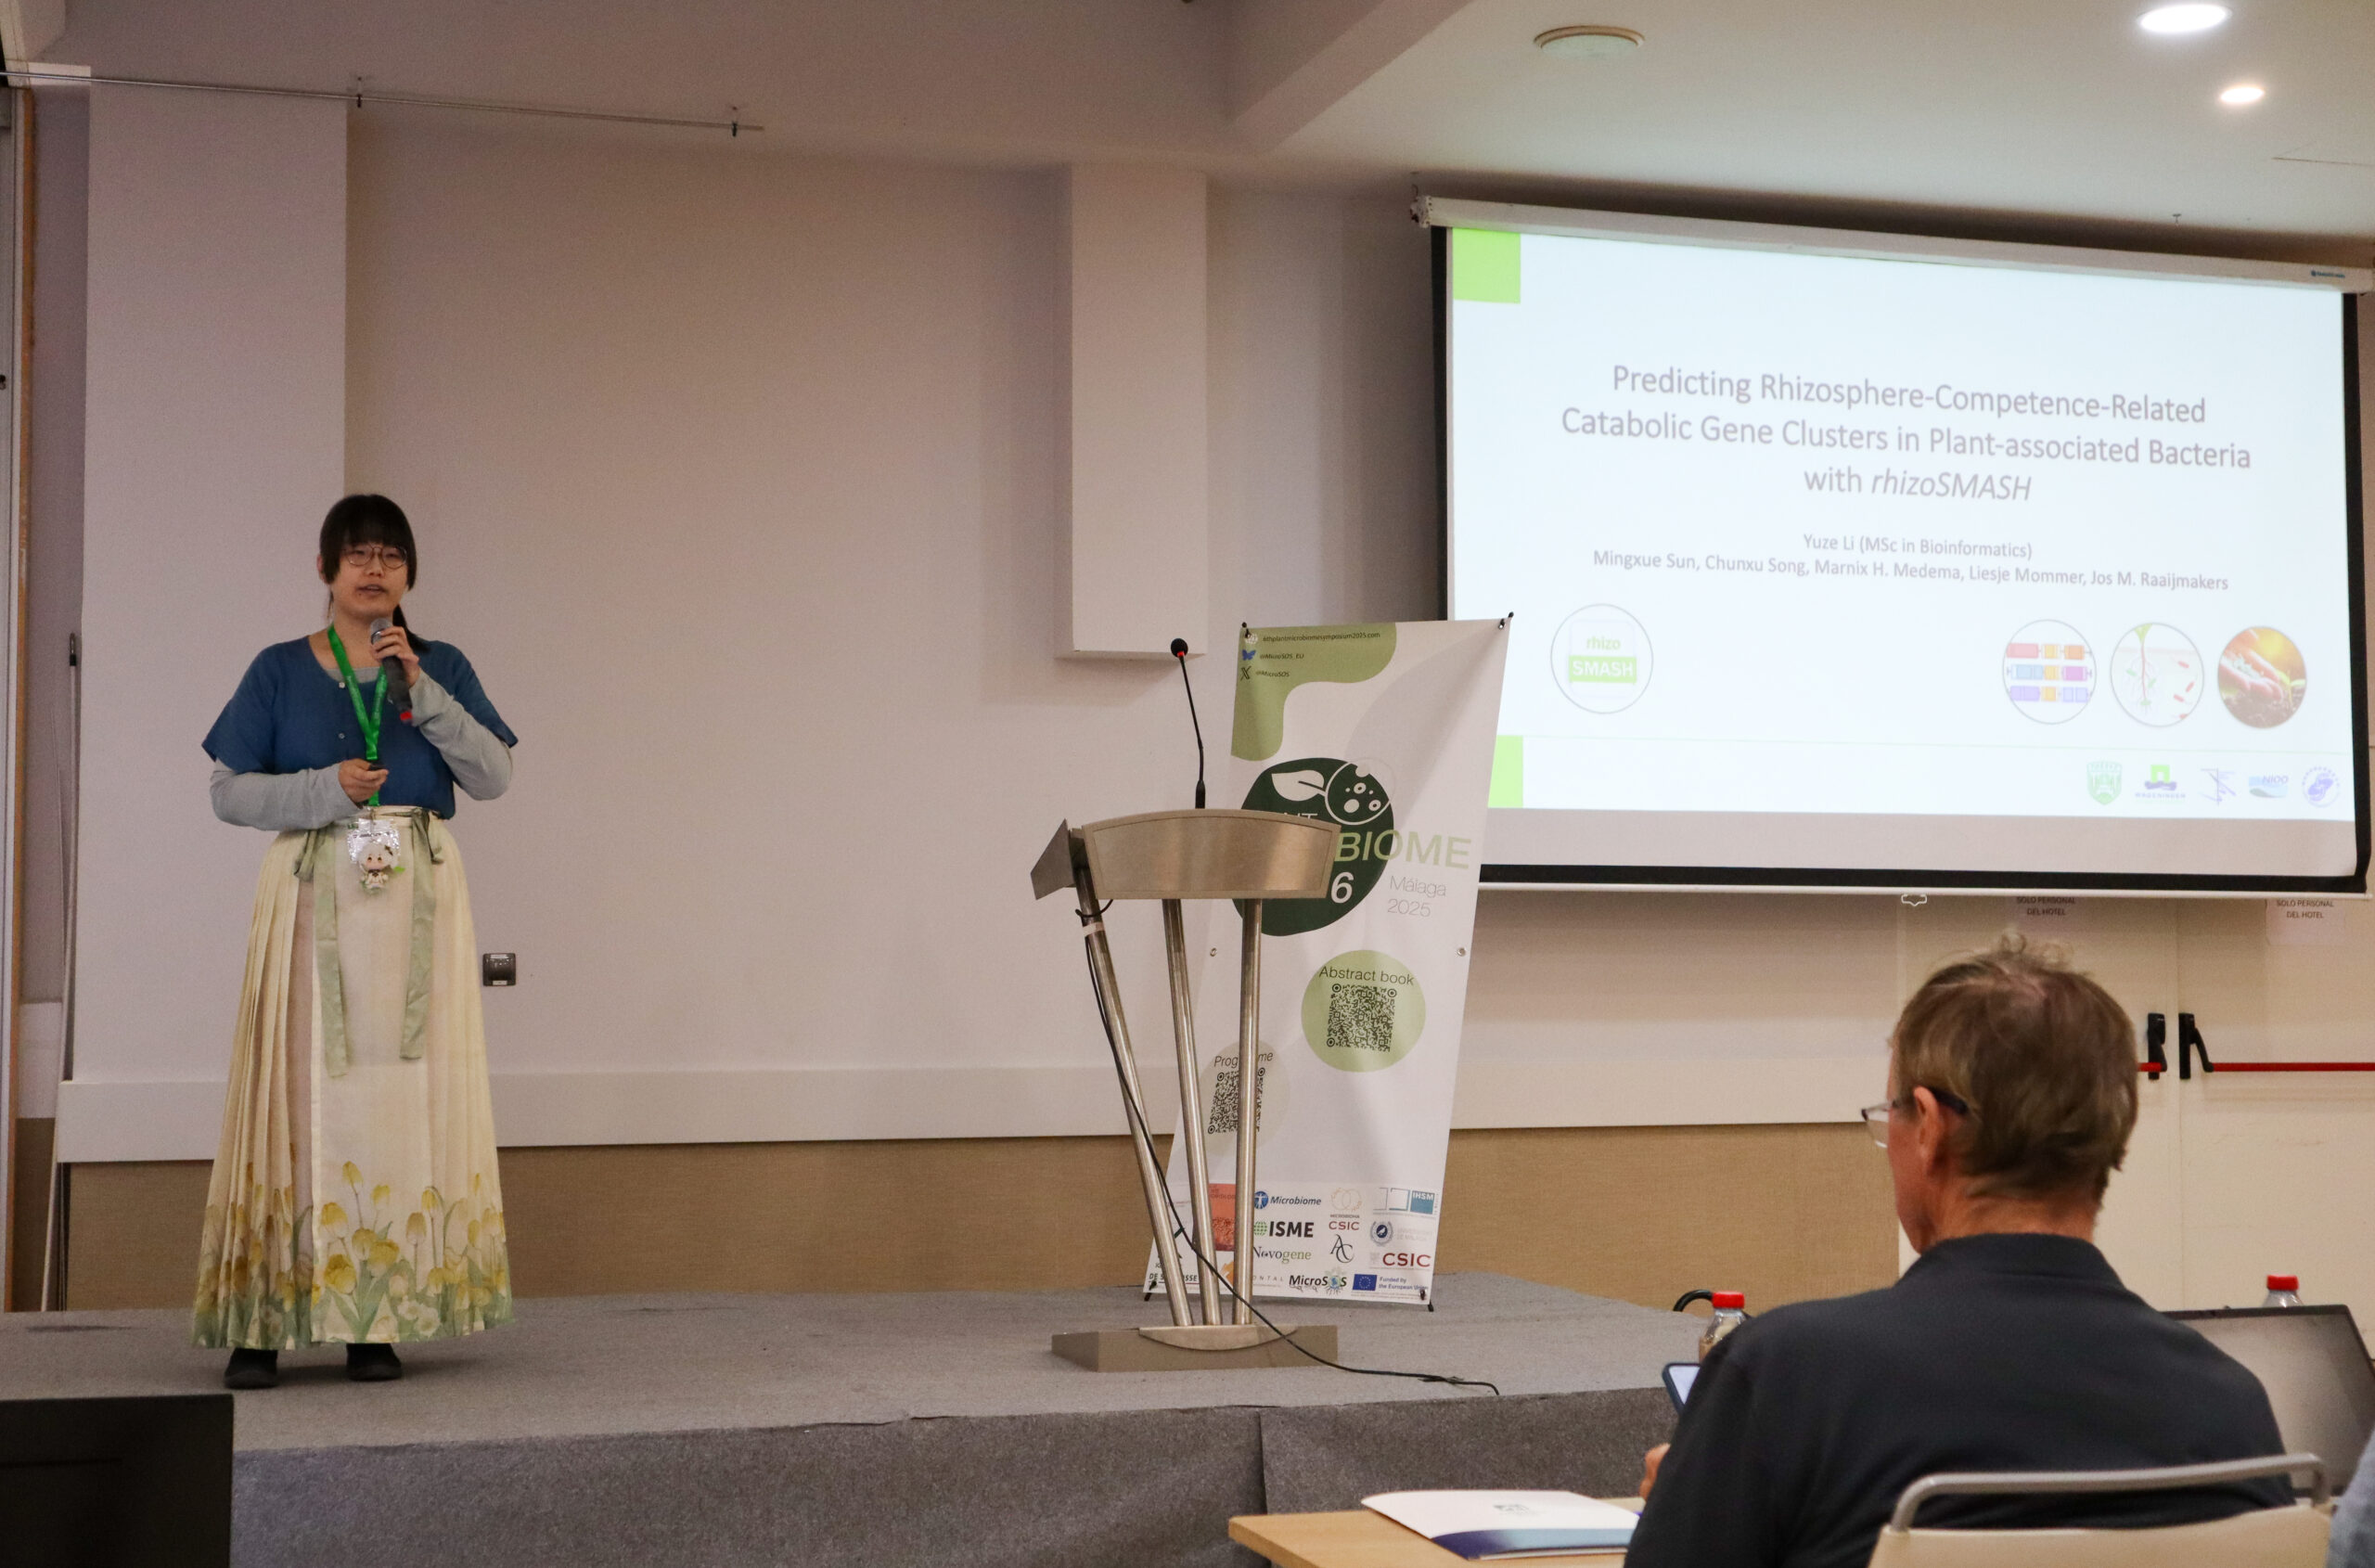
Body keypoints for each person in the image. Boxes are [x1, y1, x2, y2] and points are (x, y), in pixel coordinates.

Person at [1627, 937, 2292, 1568]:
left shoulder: (1789, 1376)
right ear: (2117, 1129)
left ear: (1930, 1127)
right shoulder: (2231, 1408)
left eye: (1891, 1113)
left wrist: (1687, 1511)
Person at [192, 495, 520, 1390]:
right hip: (311, 889)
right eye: (358, 555)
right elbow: (227, 791)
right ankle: (262, 1322)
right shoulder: (277, 668)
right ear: (326, 570)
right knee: (293, 1086)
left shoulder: (438, 665)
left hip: (417, 897)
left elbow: (494, 776)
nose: (374, 570)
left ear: (409, 574)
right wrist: (322, 789)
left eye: (391, 556)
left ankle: (376, 1320)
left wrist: (424, 693)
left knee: (400, 1091)